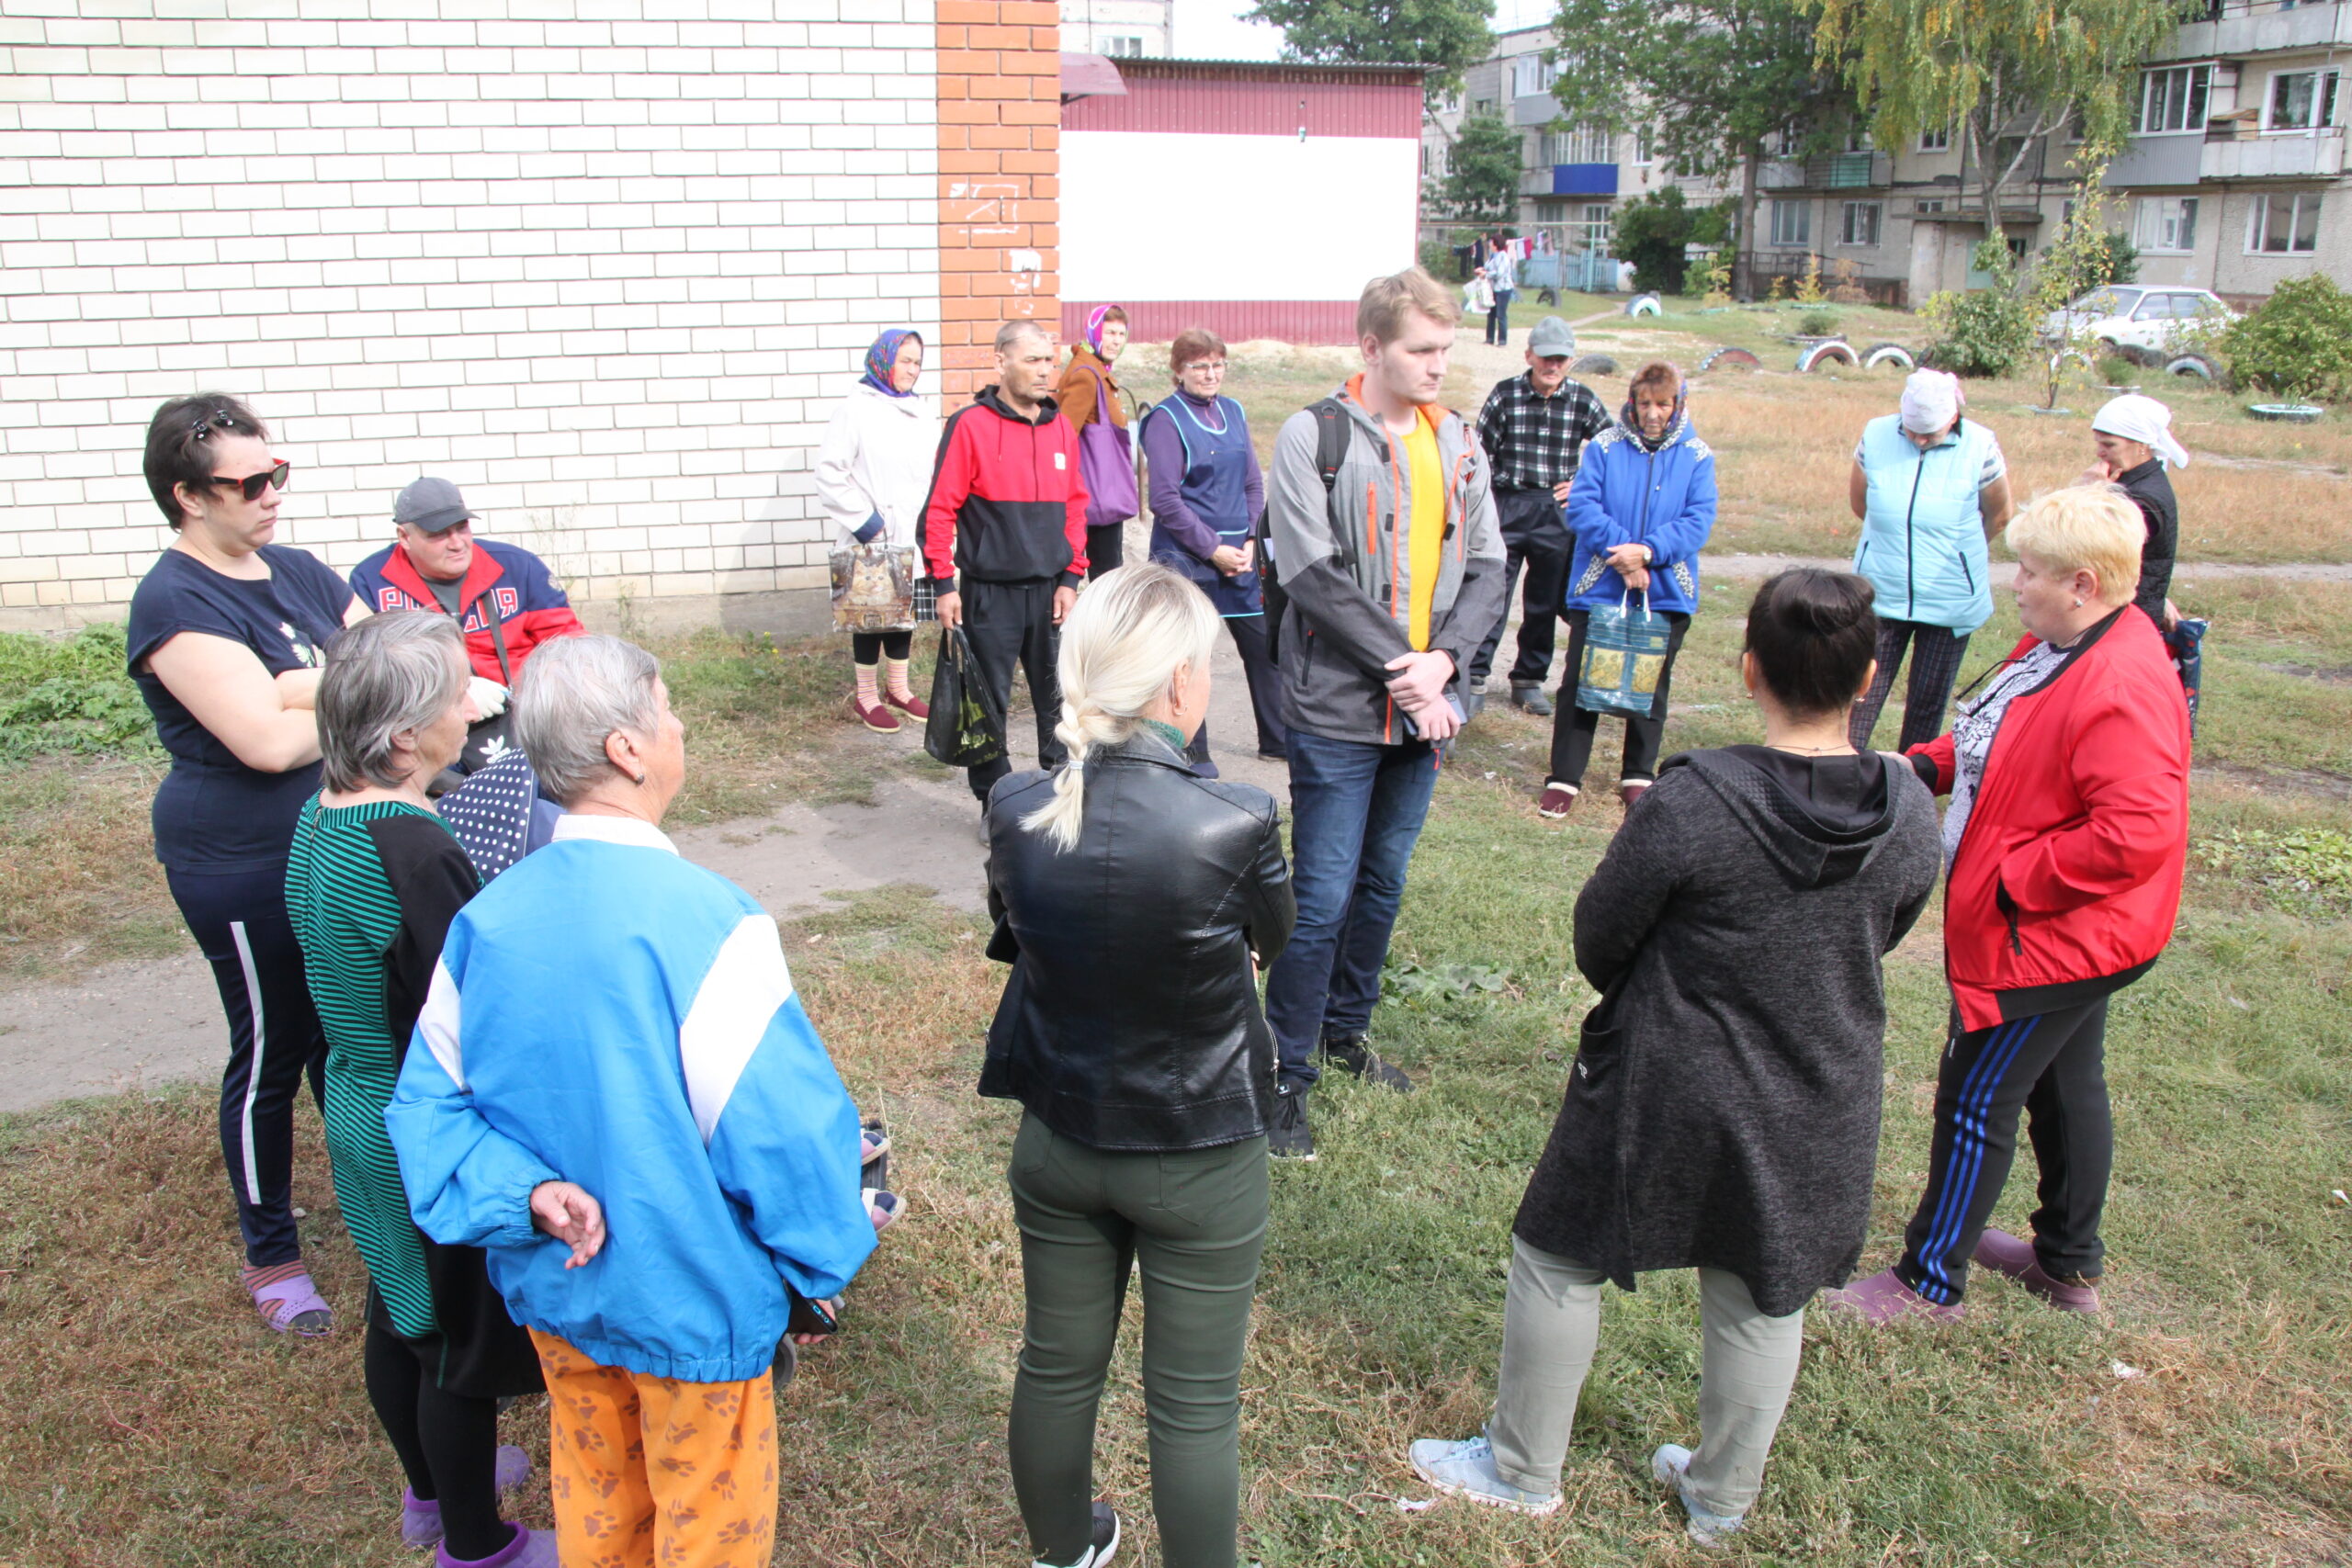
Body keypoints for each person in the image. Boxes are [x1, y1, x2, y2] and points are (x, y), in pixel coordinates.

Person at [1407, 570, 1940, 1544]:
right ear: (1868, 677)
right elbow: (1887, 925)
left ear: (1747, 670)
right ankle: (1720, 1497)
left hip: (1667, 1075)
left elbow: (1601, 934)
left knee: (1558, 1249)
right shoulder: (1909, 810)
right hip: (1821, 1085)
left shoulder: (1695, 800)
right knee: (1764, 1280)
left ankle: (1523, 1469)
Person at [385, 634, 879, 1568]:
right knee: (708, 1528)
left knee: (599, 1505)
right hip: (694, 1306)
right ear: (626, 747)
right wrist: (822, 1259)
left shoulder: (485, 921)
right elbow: (781, 1131)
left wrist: (525, 1195)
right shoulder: (708, 920)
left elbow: (426, 1111)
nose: (680, 723)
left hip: (559, 1293)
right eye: (668, 707)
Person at [982, 562, 1295, 1568]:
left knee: (1056, 1366)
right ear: (1174, 687)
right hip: (1197, 1146)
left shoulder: (1017, 804)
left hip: (1060, 1136)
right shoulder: (1235, 818)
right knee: (1195, 1407)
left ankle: (1061, 1551)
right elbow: (1268, 942)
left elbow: (1016, 935)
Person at [1830, 486, 2192, 1323]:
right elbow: (2009, 730)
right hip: (2086, 937)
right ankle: (2066, 1263)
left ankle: (1928, 1280)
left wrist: (2010, 879)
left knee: (1976, 1095)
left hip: (2055, 939)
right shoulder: (2067, 642)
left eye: (2030, 571)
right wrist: (1926, 766)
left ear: (2085, 584)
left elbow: (2135, 832)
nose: (2014, 582)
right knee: (2066, 1084)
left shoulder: (2120, 680)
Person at [285, 612, 549, 1568]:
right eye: (454, 693)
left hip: (355, 1095)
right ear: (404, 736)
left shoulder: (323, 813)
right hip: (419, 1117)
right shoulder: (414, 849)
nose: (472, 703)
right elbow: (468, 1003)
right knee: (453, 1346)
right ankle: (479, 1547)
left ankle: (429, 1496)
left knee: (392, 1307)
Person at [125, 393, 371, 1337]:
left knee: (352, 1034)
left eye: (277, 474)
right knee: (277, 1044)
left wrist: (293, 685)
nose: (270, 495)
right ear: (188, 496)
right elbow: (262, 746)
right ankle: (271, 1254)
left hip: (337, 841)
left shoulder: (302, 572)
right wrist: (349, 690)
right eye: (246, 483)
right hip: (236, 854)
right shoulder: (175, 599)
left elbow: (399, 661)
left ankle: (368, 1200)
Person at [1259, 267, 1505, 1158]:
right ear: (1371, 347)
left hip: (1422, 714)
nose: (1439, 365)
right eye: (1422, 349)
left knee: (1383, 884)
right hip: (1336, 713)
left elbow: (1488, 567)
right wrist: (1404, 668)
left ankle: (1343, 1031)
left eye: (1446, 349)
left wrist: (1441, 666)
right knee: (1319, 897)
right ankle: (1283, 1070)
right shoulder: (1312, 436)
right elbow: (1309, 572)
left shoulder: (1459, 442)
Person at [921, 321, 1091, 818]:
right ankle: (993, 805)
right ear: (1001, 362)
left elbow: (1076, 506)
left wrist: (1070, 577)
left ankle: (1060, 799)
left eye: (1050, 360)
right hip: (988, 593)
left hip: (1050, 593)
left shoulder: (1060, 425)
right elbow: (938, 510)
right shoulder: (969, 424)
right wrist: (942, 584)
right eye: (1033, 360)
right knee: (988, 703)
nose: (1046, 371)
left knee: (1060, 700)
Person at [1539, 359, 1717, 818]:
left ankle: (1638, 773)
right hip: (1601, 583)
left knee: (1651, 681)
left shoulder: (1697, 455)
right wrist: (1624, 555)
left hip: (1664, 588)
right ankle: (1564, 776)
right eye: (1644, 403)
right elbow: (1582, 506)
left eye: (1662, 404)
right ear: (1632, 404)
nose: (1653, 413)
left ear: (1678, 404)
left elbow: (1697, 521)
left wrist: (1649, 553)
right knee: (1580, 680)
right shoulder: (1603, 446)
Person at [349, 477, 586, 786]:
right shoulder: (372, 581)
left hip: (524, 724)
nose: (457, 543)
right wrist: (454, 689)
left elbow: (571, 646)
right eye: (438, 534)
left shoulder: (517, 567)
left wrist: (532, 695)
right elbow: (368, 670)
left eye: (462, 528)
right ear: (404, 537)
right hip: (428, 733)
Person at [1844, 369, 2014, 751]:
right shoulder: (1875, 434)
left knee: (1926, 704)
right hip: (1882, 592)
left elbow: (1999, 515)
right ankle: (1840, 781)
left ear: (1953, 417)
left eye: (1930, 433)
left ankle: (1911, 789)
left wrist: (1956, 555)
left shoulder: (1981, 445)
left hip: (1949, 599)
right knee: (1860, 697)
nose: (1919, 439)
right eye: (1912, 430)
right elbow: (1861, 504)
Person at [1139, 328, 1285, 769]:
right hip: (1188, 559)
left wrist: (1249, 539)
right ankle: (1194, 752)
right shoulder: (1166, 419)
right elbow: (1164, 500)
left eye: (1218, 364)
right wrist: (1212, 548)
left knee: (1265, 647)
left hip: (1240, 560)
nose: (1210, 373)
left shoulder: (1235, 410)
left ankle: (1277, 740)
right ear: (1178, 371)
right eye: (1199, 365)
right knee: (1188, 658)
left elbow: (1252, 482)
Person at [1469, 315, 1611, 715]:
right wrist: (1490, 498)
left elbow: (1614, 449)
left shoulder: (1583, 400)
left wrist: (1583, 484)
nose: (1552, 367)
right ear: (1529, 355)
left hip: (1557, 511)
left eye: (1561, 360)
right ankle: (1476, 676)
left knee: (1544, 600)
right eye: (1546, 358)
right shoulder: (1505, 395)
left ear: (1571, 361)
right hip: (1508, 504)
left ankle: (1529, 679)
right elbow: (1479, 454)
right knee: (1491, 592)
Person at [815, 327, 937, 733]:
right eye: (905, 360)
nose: (912, 369)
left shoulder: (920, 410)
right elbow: (831, 472)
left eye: (918, 362)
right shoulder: (856, 408)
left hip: (911, 530)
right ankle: (866, 697)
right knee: (870, 614)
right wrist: (866, 521)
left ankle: (898, 690)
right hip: (872, 531)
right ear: (884, 359)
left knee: (903, 613)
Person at [2081, 392, 2187, 630]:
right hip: (2127, 611)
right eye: (2098, 442)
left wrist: (2091, 494)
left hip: (2126, 618)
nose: (2099, 452)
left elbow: (2084, 547)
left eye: (2109, 444)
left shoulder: (2142, 499)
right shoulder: (2134, 482)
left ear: (2141, 445)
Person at [1057, 305, 1136, 579]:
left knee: (1106, 572)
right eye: (1109, 331)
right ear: (1093, 332)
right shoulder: (1086, 376)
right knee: (1106, 576)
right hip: (1096, 493)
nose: (1116, 340)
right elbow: (1063, 436)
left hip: (1099, 492)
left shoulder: (1096, 369)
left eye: (1121, 333)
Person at [1483, 239, 1518, 347]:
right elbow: (1487, 268)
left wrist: (1486, 274)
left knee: (1501, 314)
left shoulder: (1503, 256)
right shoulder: (1492, 256)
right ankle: (1489, 338)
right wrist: (1482, 271)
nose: (1489, 244)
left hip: (1503, 289)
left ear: (1496, 245)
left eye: (1491, 242)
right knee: (1491, 314)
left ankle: (1502, 340)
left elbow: (1500, 273)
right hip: (1493, 288)